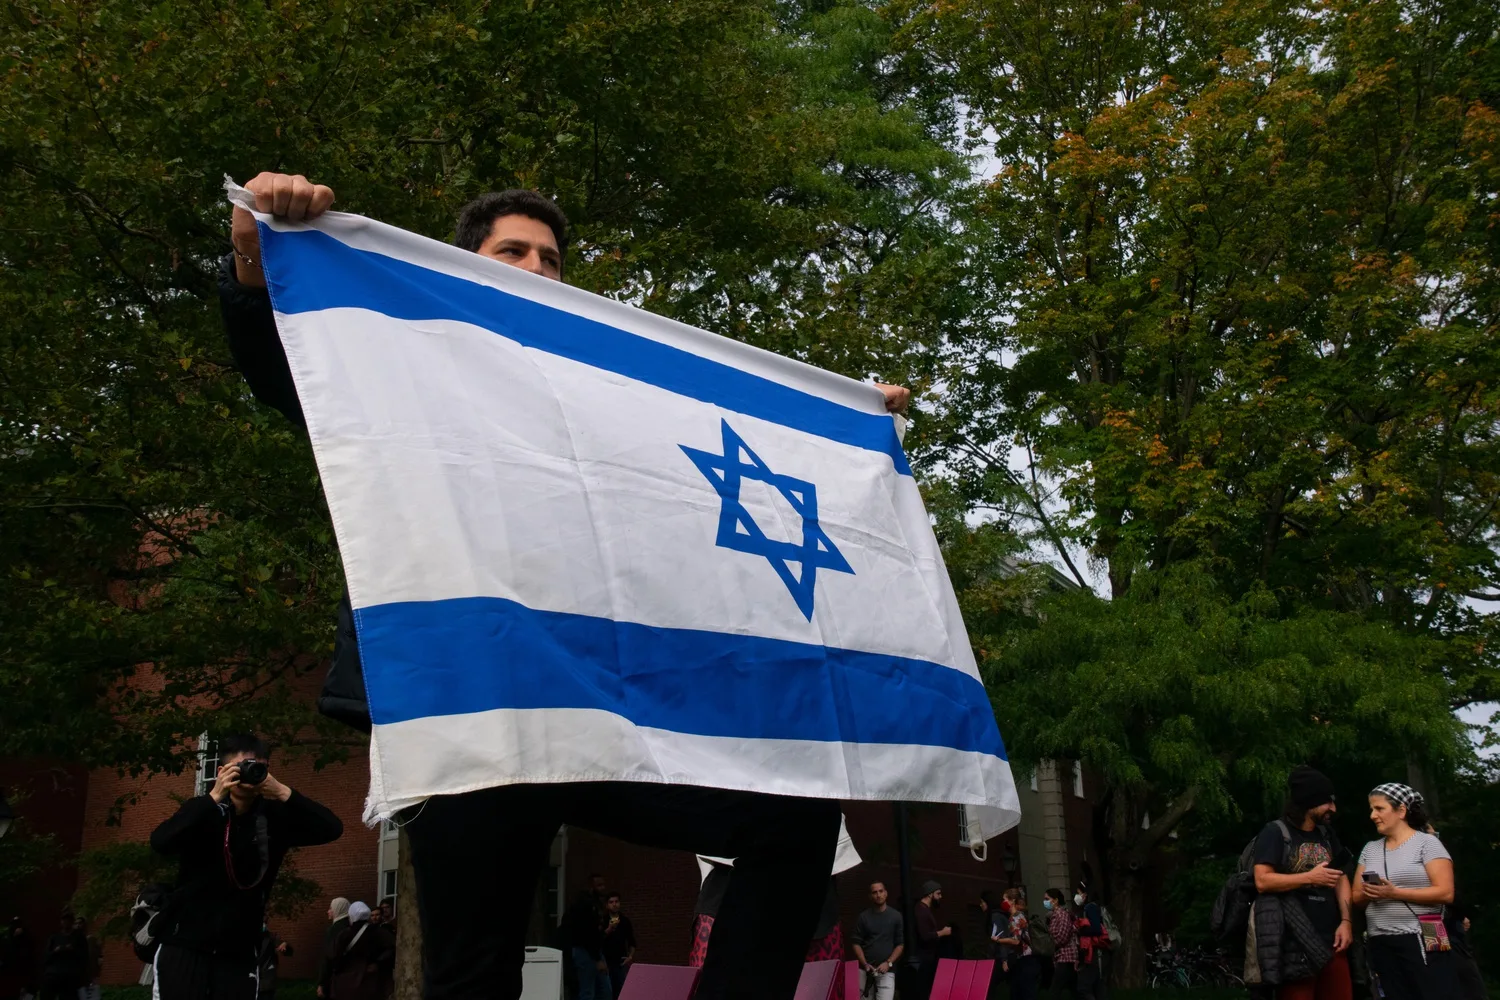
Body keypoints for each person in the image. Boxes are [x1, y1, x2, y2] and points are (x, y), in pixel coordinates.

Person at [223, 172, 913, 1000]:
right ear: (462, 263)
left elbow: (709, 491)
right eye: (512, 250)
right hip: (467, 703)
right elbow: (290, 370)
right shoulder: (404, 360)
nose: (537, 267)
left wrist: (839, 429)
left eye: (551, 258)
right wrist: (252, 261)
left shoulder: (604, 395)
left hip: (593, 702)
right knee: (474, 970)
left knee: (795, 822)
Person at [149, 733, 343, 1000]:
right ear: (222, 771)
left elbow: (332, 828)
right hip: (185, 944)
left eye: (258, 767)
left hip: (238, 950)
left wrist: (284, 792)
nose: (249, 773)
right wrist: (213, 797)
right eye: (242, 766)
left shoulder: (274, 818)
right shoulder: (203, 812)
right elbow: (160, 842)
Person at [1251, 766, 1353, 999]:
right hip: (1295, 945)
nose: (1333, 809)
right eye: (1328, 802)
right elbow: (1262, 881)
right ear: (1309, 802)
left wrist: (1346, 922)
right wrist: (1309, 877)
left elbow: (1342, 878)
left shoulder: (1327, 835)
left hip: (1334, 941)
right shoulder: (1275, 832)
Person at [1351, 783, 1457, 1000]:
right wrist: (1370, 893)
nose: (1373, 815)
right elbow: (1355, 897)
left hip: (1424, 932)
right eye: (1371, 809)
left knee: (1434, 993)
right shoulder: (1370, 848)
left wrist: (1394, 893)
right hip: (1379, 938)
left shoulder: (1427, 843)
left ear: (1401, 811)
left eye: (1379, 809)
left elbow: (1446, 893)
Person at [324, 903, 394, 1000]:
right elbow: (391, 948)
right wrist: (378, 963)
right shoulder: (378, 932)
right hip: (372, 982)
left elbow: (332, 955)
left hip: (346, 984)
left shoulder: (345, 934)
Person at [852, 881, 903, 1000]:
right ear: (870, 896)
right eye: (874, 892)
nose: (878, 895)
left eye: (881, 891)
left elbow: (900, 944)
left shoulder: (896, 916)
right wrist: (865, 964)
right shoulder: (863, 917)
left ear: (886, 893)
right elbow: (856, 943)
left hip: (887, 970)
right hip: (866, 970)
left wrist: (888, 962)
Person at [563, 882, 611, 1000]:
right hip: (587, 952)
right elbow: (588, 936)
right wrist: (598, 959)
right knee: (589, 990)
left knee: (602, 989)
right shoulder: (586, 908)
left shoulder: (588, 908)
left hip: (590, 951)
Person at [994, 889, 1039, 1000]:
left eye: (1004, 899)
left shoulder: (1016, 917)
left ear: (1012, 901)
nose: (1003, 902)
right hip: (1022, 960)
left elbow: (1016, 940)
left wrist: (999, 940)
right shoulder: (1015, 916)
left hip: (1026, 961)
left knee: (1024, 993)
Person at [911, 881, 951, 1000]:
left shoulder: (924, 909)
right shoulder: (921, 910)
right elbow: (925, 935)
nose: (940, 897)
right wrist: (942, 933)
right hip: (923, 959)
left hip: (927, 958)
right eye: (938, 894)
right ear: (930, 894)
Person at [1072, 884, 1106, 1000]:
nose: (1077, 896)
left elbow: (1096, 929)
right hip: (1093, 953)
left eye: (1078, 893)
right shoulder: (1089, 908)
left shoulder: (1090, 908)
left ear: (1085, 895)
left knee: (1083, 988)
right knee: (1098, 989)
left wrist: (1080, 931)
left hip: (1092, 953)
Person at [1043, 889, 1079, 999]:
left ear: (1056, 900)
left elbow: (1062, 937)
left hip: (1066, 957)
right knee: (1074, 990)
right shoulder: (1055, 915)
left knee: (1054, 991)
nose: (1045, 902)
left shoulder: (1061, 915)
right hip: (1062, 957)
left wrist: (1049, 944)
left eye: (1047, 899)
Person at [37, 916, 83, 1000]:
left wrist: (72, 950)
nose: (66, 922)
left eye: (68, 920)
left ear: (71, 922)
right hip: (53, 974)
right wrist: (56, 951)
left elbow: (83, 956)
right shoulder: (54, 937)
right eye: (64, 920)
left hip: (69, 975)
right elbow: (46, 956)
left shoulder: (78, 938)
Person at [601, 893, 636, 997]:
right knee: (606, 992)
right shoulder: (602, 920)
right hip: (605, 961)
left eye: (616, 902)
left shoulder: (625, 921)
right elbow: (597, 939)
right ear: (607, 905)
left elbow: (632, 941)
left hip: (621, 961)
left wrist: (630, 956)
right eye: (611, 902)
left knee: (621, 990)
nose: (614, 904)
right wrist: (609, 928)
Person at [317, 899, 351, 999]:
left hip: (335, 978)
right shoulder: (351, 926)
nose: (328, 911)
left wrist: (322, 982)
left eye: (331, 908)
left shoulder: (334, 930)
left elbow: (328, 957)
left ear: (338, 909)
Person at [256, 925, 292, 1000]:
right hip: (249, 983)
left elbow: (287, 950)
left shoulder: (271, 937)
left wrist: (285, 945)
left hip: (266, 983)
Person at [72, 917, 100, 1000]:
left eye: (80, 923)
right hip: (76, 977)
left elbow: (97, 957)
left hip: (90, 976)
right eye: (76, 923)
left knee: (92, 997)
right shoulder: (72, 941)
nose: (78, 925)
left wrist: (95, 973)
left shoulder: (91, 940)